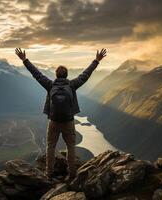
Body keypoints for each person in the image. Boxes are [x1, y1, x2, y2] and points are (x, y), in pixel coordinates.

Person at [15, 48, 107, 180]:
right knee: (70, 147)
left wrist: (24, 60)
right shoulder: (72, 85)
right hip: (68, 122)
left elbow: (36, 74)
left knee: (51, 147)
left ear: (56, 75)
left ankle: (49, 173)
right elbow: (85, 75)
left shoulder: (50, 85)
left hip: (53, 122)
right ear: (66, 75)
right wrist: (96, 60)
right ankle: (72, 174)